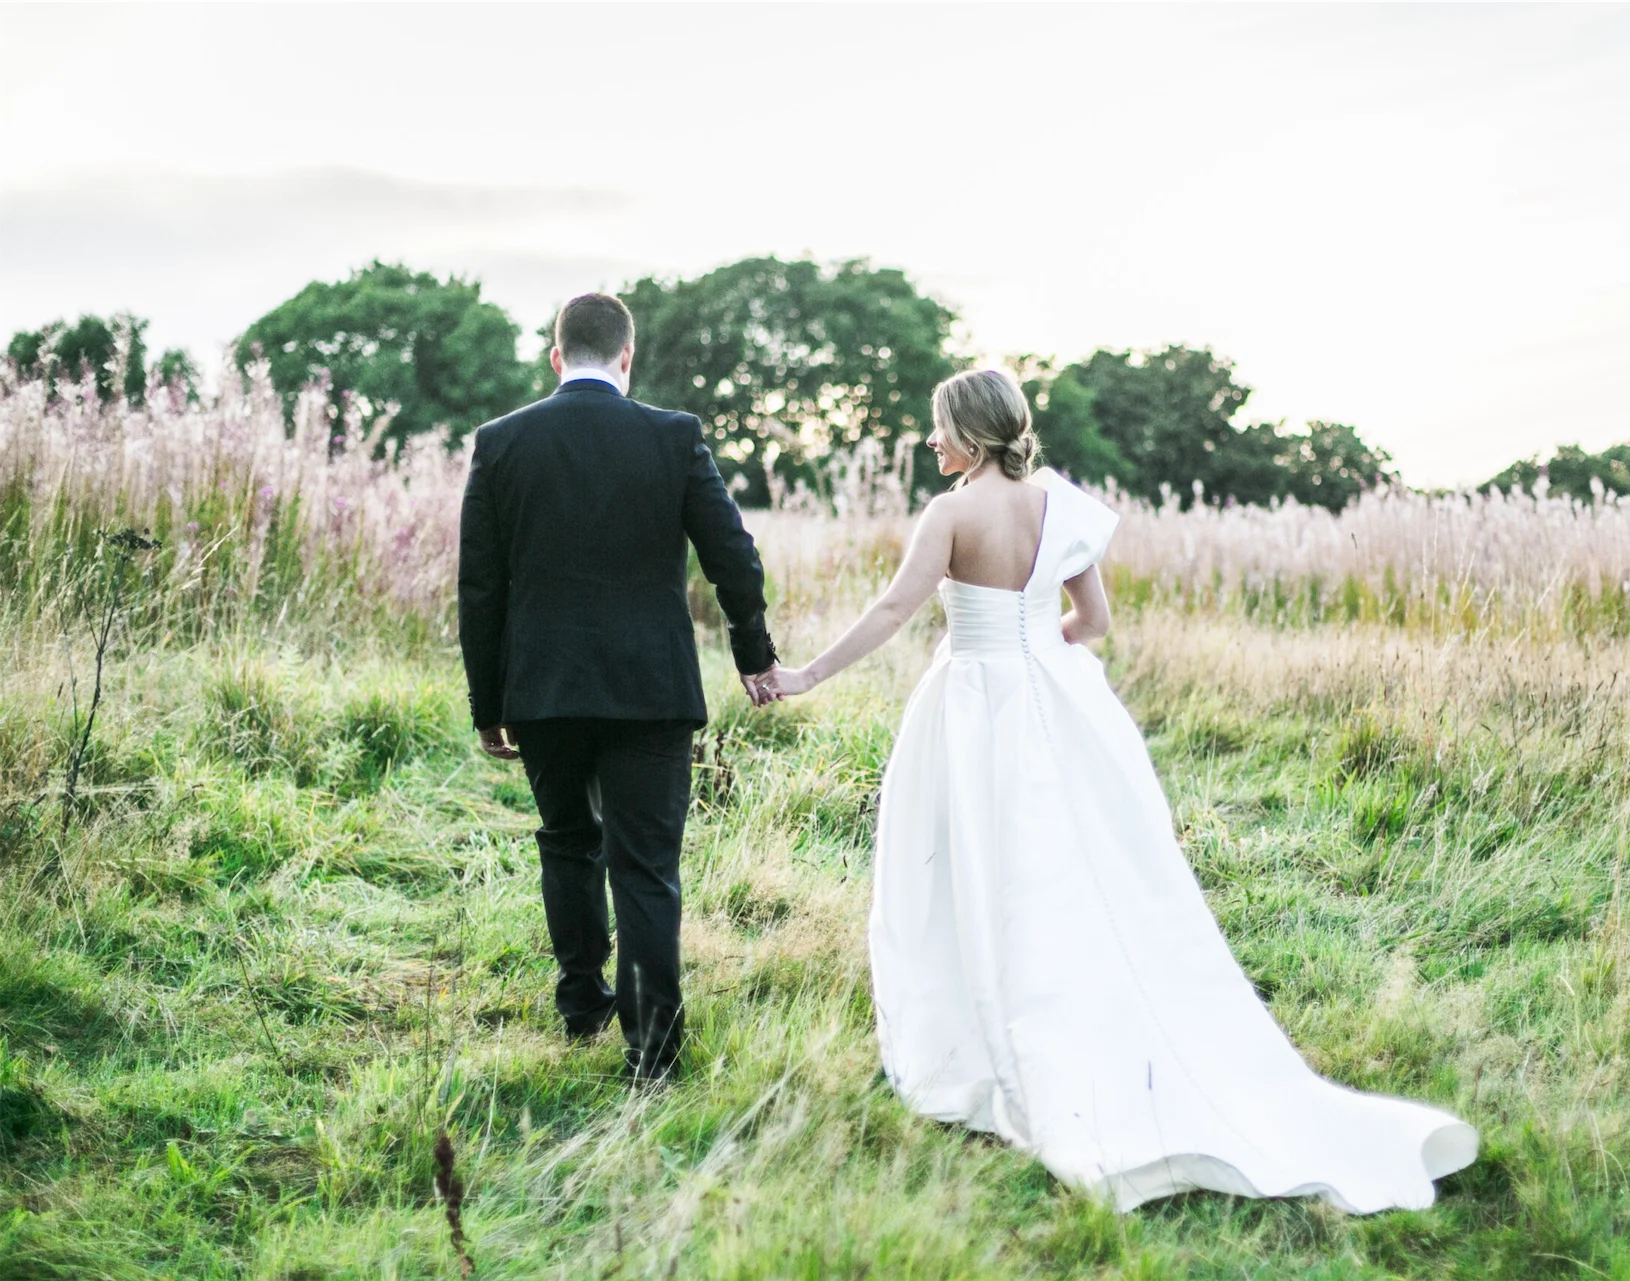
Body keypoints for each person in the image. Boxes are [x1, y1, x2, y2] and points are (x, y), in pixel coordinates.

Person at [764, 369, 1477, 1212]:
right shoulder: (1059, 507)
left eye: (938, 426)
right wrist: (1037, 644)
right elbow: (1094, 622)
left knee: (971, 874)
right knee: (1078, 874)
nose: (930, 440)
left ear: (973, 434)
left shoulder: (949, 515)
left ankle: (979, 1048)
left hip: (974, 709)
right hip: (1061, 703)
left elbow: (892, 612)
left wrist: (806, 674)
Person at [457, 292, 779, 1083]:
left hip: (545, 689)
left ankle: (581, 1004)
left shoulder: (501, 442)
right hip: (650, 689)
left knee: (568, 839)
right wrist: (752, 651)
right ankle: (653, 1053)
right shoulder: (674, 436)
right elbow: (734, 556)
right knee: (645, 867)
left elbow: (479, 588)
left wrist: (488, 703)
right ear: (627, 357)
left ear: (556, 356)